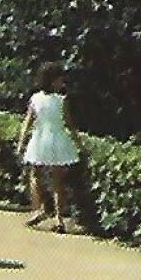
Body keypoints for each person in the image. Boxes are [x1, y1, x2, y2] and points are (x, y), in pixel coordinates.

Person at [16, 63, 85, 234]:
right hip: (58, 139)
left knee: (35, 175)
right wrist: (79, 144)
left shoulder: (35, 99)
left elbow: (27, 122)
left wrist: (21, 142)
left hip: (40, 139)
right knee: (57, 181)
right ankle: (59, 218)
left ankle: (38, 209)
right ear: (53, 81)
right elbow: (69, 124)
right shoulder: (61, 101)